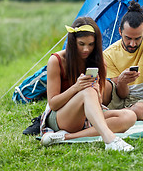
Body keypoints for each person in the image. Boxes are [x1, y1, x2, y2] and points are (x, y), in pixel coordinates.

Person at [40, 17, 137, 152]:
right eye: (81, 44)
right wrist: (76, 88)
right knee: (87, 91)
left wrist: (97, 92)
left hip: (86, 117)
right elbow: (53, 104)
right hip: (60, 116)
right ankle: (110, 139)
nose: (86, 49)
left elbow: (98, 103)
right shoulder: (57, 60)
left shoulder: (99, 62)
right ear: (73, 42)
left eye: (91, 45)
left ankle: (65, 137)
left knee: (130, 116)